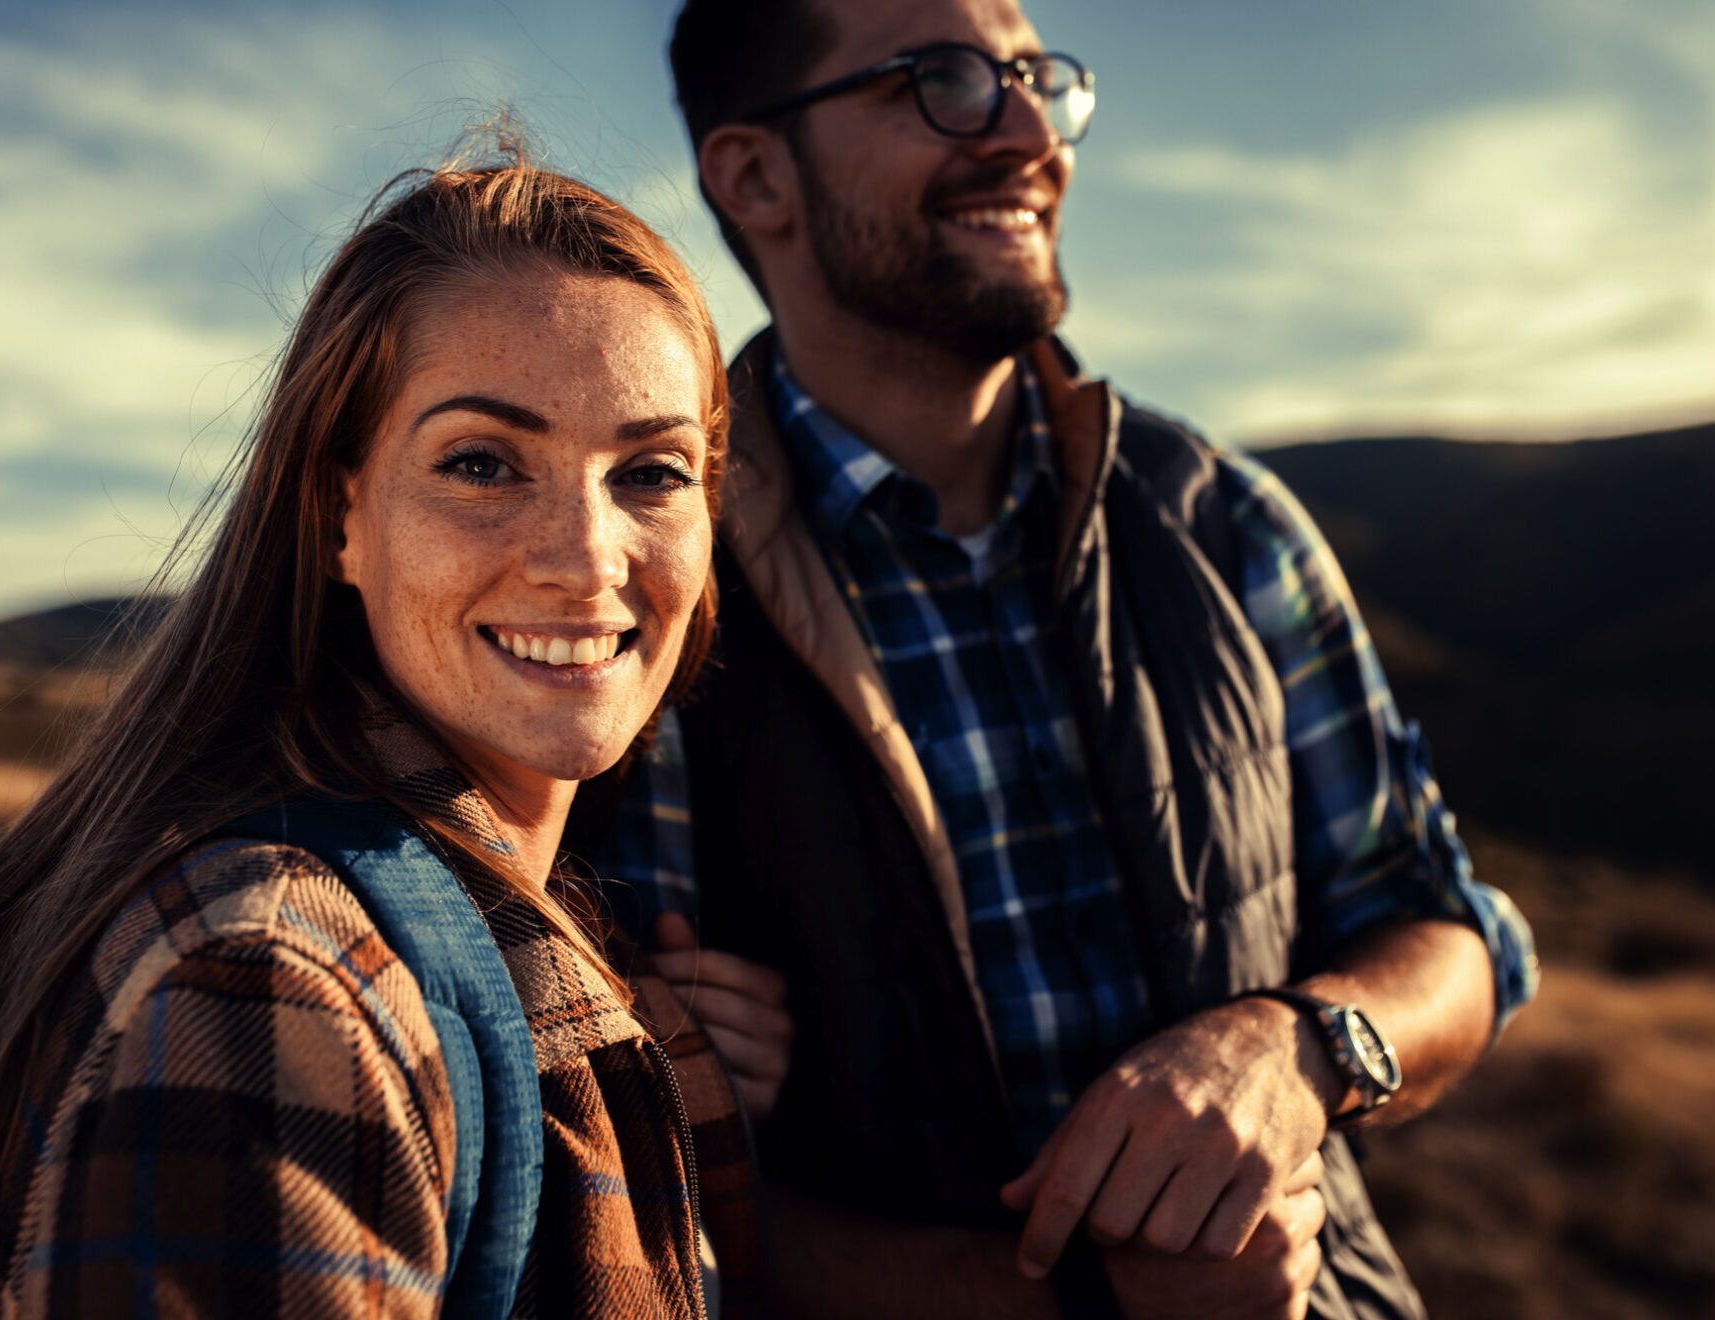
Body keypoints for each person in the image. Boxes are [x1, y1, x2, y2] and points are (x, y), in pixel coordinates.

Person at [585, 1, 1540, 1316]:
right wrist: (1094, 1304)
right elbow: (635, 1179)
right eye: (945, 82)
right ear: (754, 176)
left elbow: (1455, 933)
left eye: (1035, 77)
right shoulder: (645, 585)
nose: (1030, 132)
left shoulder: (1223, 522)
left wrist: (1301, 1044)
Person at [0, 155, 774, 1318]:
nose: (586, 556)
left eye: (651, 472)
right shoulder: (277, 990)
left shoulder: (523, 945)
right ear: (341, 516)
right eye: (482, 464)